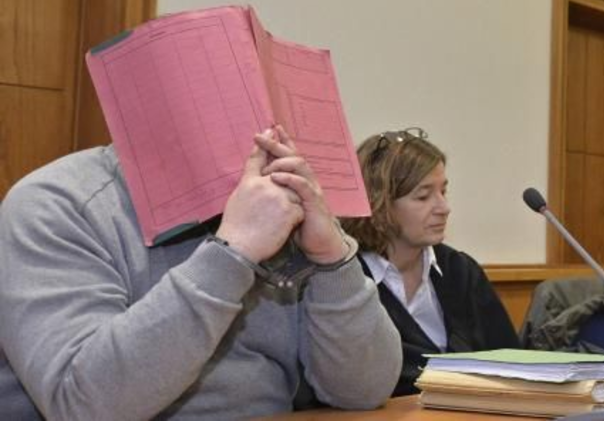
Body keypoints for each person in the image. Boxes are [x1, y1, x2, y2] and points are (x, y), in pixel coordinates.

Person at [0, 126, 403, 420]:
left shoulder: (278, 201)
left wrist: (332, 259)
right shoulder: (56, 204)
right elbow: (86, 406)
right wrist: (234, 252)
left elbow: (364, 390)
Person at [341, 128, 519, 397]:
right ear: (379, 203)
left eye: (443, 191)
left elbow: (512, 364)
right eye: (423, 196)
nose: (444, 208)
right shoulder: (345, 279)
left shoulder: (460, 270)